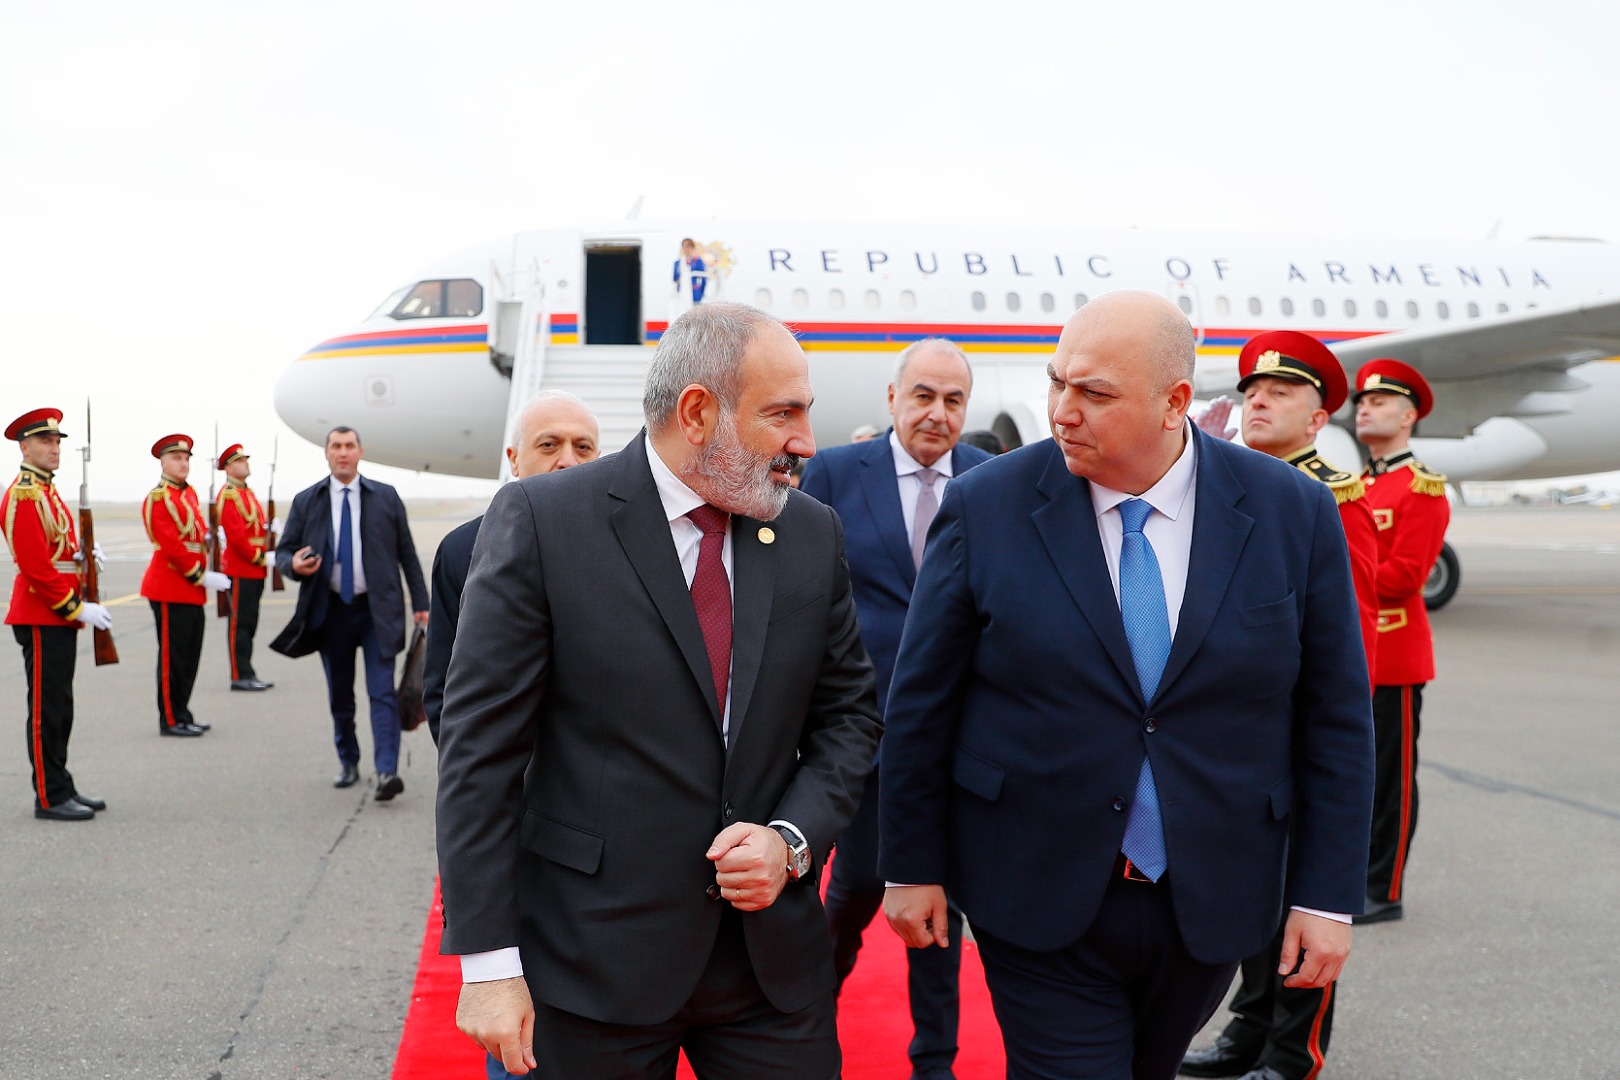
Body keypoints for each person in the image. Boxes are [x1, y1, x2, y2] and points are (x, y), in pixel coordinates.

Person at [878, 291, 1375, 1080]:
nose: (1062, 411)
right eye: (1057, 382)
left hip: (1213, 893)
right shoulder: (987, 505)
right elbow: (920, 704)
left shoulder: (1293, 511)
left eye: (1095, 393)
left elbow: (1336, 720)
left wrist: (1324, 897)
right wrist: (909, 865)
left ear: (1175, 402)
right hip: (1034, 884)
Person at [436, 301, 882, 1078]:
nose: (807, 441)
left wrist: (791, 840)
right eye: (783, 413)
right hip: (589, 967)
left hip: (769, 976)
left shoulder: (811, 533)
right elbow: (480, 753)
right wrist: (488, 962)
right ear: (699, 413)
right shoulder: (546, 521)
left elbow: (849, 718)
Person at [1180, 330, 1381, 1080]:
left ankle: (1294, 1050)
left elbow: (1350, 638)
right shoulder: (1229, 487)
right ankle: (1251, 1027)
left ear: (1319, 418)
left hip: (1297, 735)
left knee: (1306, 895)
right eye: (1253, 391)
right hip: (1240, 739)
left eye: (1281, 392)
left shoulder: (1330, 496)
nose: (1258, 401)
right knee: (1255, 892)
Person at [799, 338, 993, 1080]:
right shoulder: (835, 473)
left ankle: (934, 1063)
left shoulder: (989, 478)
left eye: (953, 400)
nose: (937, 413)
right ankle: (804, 1025)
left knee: (942, 905)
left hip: (962, 738)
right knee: (854, 889)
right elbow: (800, 591)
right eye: (923, 396)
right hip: (867, 732)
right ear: (892, 398)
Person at [424, 390, 601, 744]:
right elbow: (444, 687)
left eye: (583, 448)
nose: (568, 460)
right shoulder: (462, 550)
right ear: (514, 459)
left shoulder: (630, 543)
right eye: (549, 445)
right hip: (507, 766)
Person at [271, 426, 428, 800]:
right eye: (336, 446)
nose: (343, 452)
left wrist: (422, 603)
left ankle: (387, 770)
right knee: (340, 696)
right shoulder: (308, 500)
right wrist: (293, 564)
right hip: (330, 613)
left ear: (360, 452)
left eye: (349, 446)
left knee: (382, 692)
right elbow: (283, 552)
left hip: (377, 612)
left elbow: (407, 553)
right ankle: (348, 760)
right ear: (327, 453)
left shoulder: (386, 497)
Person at [1354, 358, 1448, 925]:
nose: (1365, 409)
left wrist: (1335, 577)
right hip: (1355, 655)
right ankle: (1352, 879)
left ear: (1408, 416)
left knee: (1390, 782)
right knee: (1353, 777)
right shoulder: (1360, 485)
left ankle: (1383, 889)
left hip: (1392, 656)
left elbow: (1405, 577)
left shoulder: (1421, 488)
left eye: (1379, 402)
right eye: (1362, 402)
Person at [1, 408, 113, 820]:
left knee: (61, 707)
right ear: (24, 447)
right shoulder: (25, 494)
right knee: (46, 711)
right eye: (45, 442)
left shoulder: (47, 492)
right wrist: (76, 606)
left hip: (57, 614)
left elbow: (56, 548)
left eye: (56, 442)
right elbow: (35, 566)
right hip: (42, 612)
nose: (54, 448)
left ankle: (62, 784)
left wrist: (82, 555)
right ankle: (49, 796)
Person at [142, 434, 231, 737]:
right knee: (173, 659)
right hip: (170, 586)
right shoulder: (160, 497)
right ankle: (170, 718)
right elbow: (171, 545)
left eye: (186, 458)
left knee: (189, 656)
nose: (183, 463)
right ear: (163, 462)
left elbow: (195, 534)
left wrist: (210, 539)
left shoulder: (188, 494)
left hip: (190, 588)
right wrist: (201, 576)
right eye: (176, 458)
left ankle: (183, 713)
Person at [215, 443, 274, 692]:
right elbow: (237, 537)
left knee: (249, 623)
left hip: (254, 568)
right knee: (239, 625)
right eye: (239, 461)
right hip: (241, 568)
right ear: (228, 467)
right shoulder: (229, 495)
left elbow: (255, 527)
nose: (245, 464)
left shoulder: (246, 493)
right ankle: (240, 674)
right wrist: (260, 558)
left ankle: (247, 671)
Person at [674, 237, 708, 304]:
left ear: (693, 248)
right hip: (682, 294)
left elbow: (704, 279)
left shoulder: (699, 262)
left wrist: (702, 293)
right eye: (685, 247)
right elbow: (675, 279)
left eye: (689, 247)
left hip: (696, 294)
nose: (687, 249)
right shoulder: (678, 263)